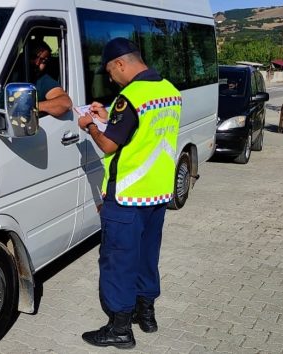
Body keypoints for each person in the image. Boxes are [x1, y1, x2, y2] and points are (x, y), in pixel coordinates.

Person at [77, 38, 182, 349]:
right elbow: (144, 132)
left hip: (128, 194)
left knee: (118, 260)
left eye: (111, 72)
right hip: (158, 192)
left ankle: (120, 328)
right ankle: (146, 315)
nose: (111, 79)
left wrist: (91, 127)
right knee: (147, 256)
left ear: (121, 64)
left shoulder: (131, 96)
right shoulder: (169, 91)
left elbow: (110, 145)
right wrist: (110, 118)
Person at [27, 40, 72, 117]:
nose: (37, 63)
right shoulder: (8, 73)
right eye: (33, 57)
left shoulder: (43, 80)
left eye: (43, 61)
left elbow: (65, 103)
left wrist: (30, 106)